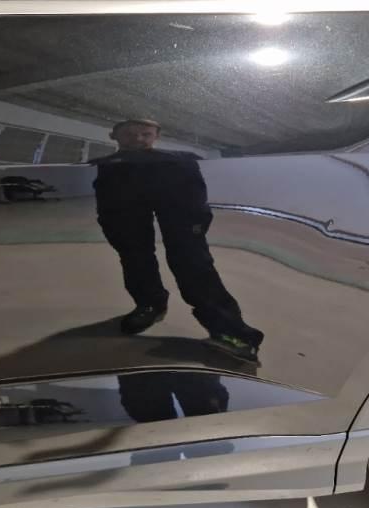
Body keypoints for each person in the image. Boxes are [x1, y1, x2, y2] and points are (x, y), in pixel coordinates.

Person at [92, 119, 264, 363]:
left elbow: (195, 194)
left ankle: (234, 334)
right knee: (134, 259)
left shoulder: (178, 160)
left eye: (145, 134)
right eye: (129, 134)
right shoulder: (107, 165)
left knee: (192, 265)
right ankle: (150, 305)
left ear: (156, 135)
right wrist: (111, 226)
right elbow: (107, 200)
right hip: (126, 216)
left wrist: (196, 226)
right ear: (113, 136)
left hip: (181, 217)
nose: (138, 139)